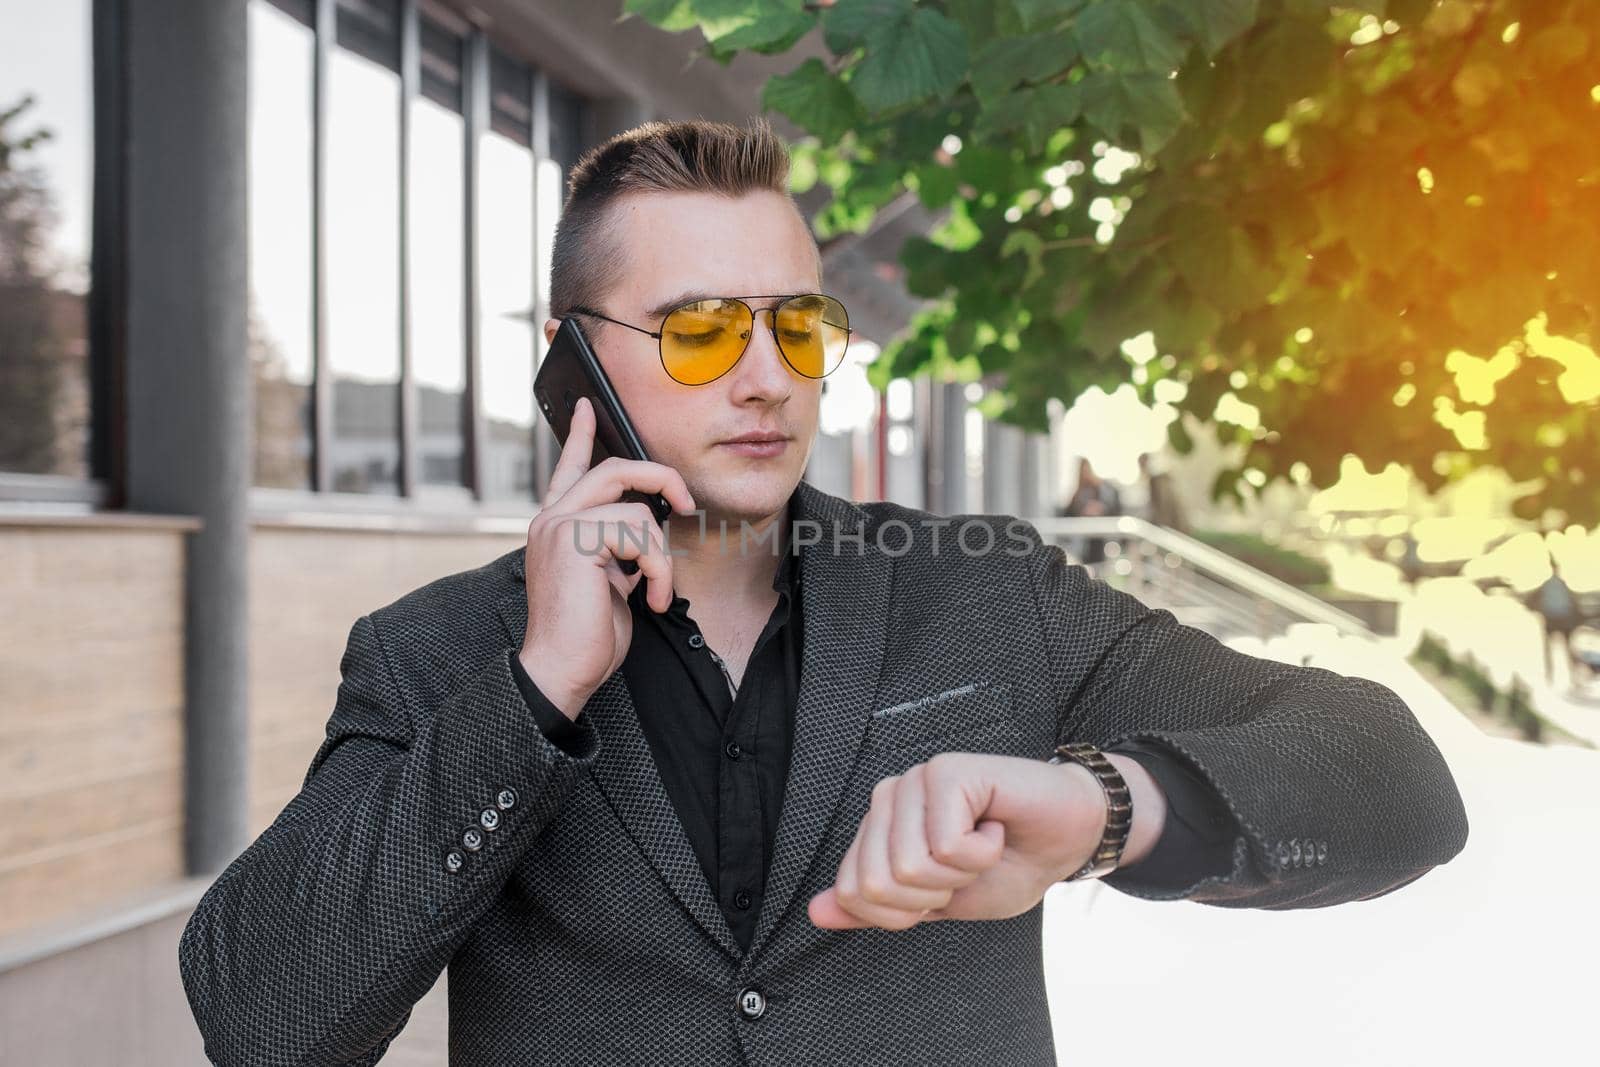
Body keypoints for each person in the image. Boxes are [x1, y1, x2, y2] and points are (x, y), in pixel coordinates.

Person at [178, 120, 1470, 1066]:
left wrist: (1103, 809)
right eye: (699, 331)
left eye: (796, 328)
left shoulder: (986, 593)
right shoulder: (435, 656)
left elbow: (1395, 779)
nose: (767, 379)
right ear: (576, 368)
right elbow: (259, 1016)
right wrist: (536, 689)